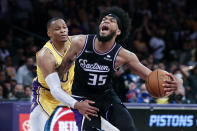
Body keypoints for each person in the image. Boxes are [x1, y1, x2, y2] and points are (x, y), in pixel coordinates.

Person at [58, 7, 182, 131]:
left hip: (106, 96)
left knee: (128, 128)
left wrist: (175, 82)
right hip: (81, 98)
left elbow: (150, 76)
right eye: (104, 20)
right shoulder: (80, 42)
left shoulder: (124, 55)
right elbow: (59, 68)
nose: (105, 21)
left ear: (118, 31)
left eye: (111, 20)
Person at [29, 18, 99, 131]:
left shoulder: (75, 42)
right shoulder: (45, 55)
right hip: (46, 95)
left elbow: (98, 39)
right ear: (49, 33)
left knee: (94, 117)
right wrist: (77, 105)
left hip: (70, 90)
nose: (63, 31)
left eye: (64, 27)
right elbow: (55, 90)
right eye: (57, 29)